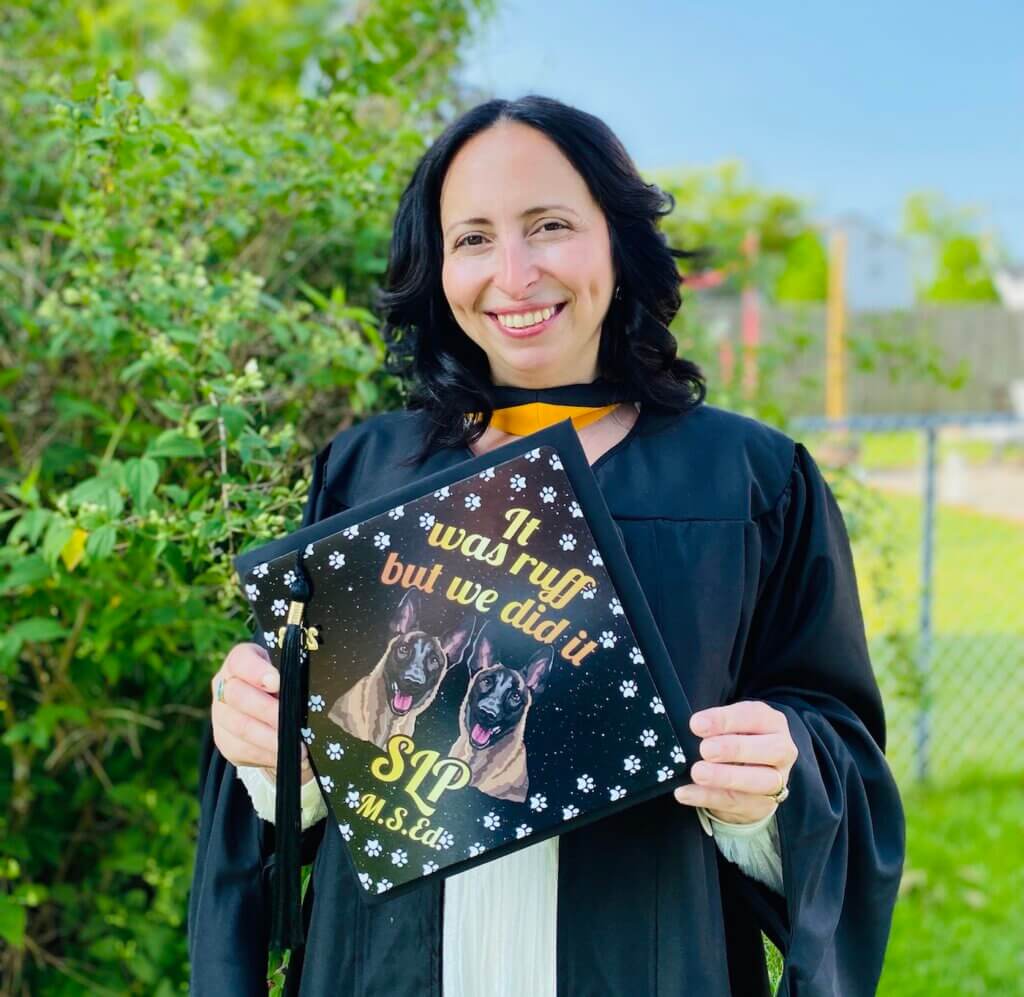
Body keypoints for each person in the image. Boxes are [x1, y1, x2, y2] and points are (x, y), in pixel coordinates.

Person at [189, 95, 905, 996]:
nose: (515, 273)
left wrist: (779, 773)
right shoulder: (366, 471)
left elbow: (843, 760)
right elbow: (297, 793)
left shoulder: (749, 484)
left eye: (550, 225)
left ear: (618, 239)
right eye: (474, 238)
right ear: (438, 266)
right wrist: (262, 739)